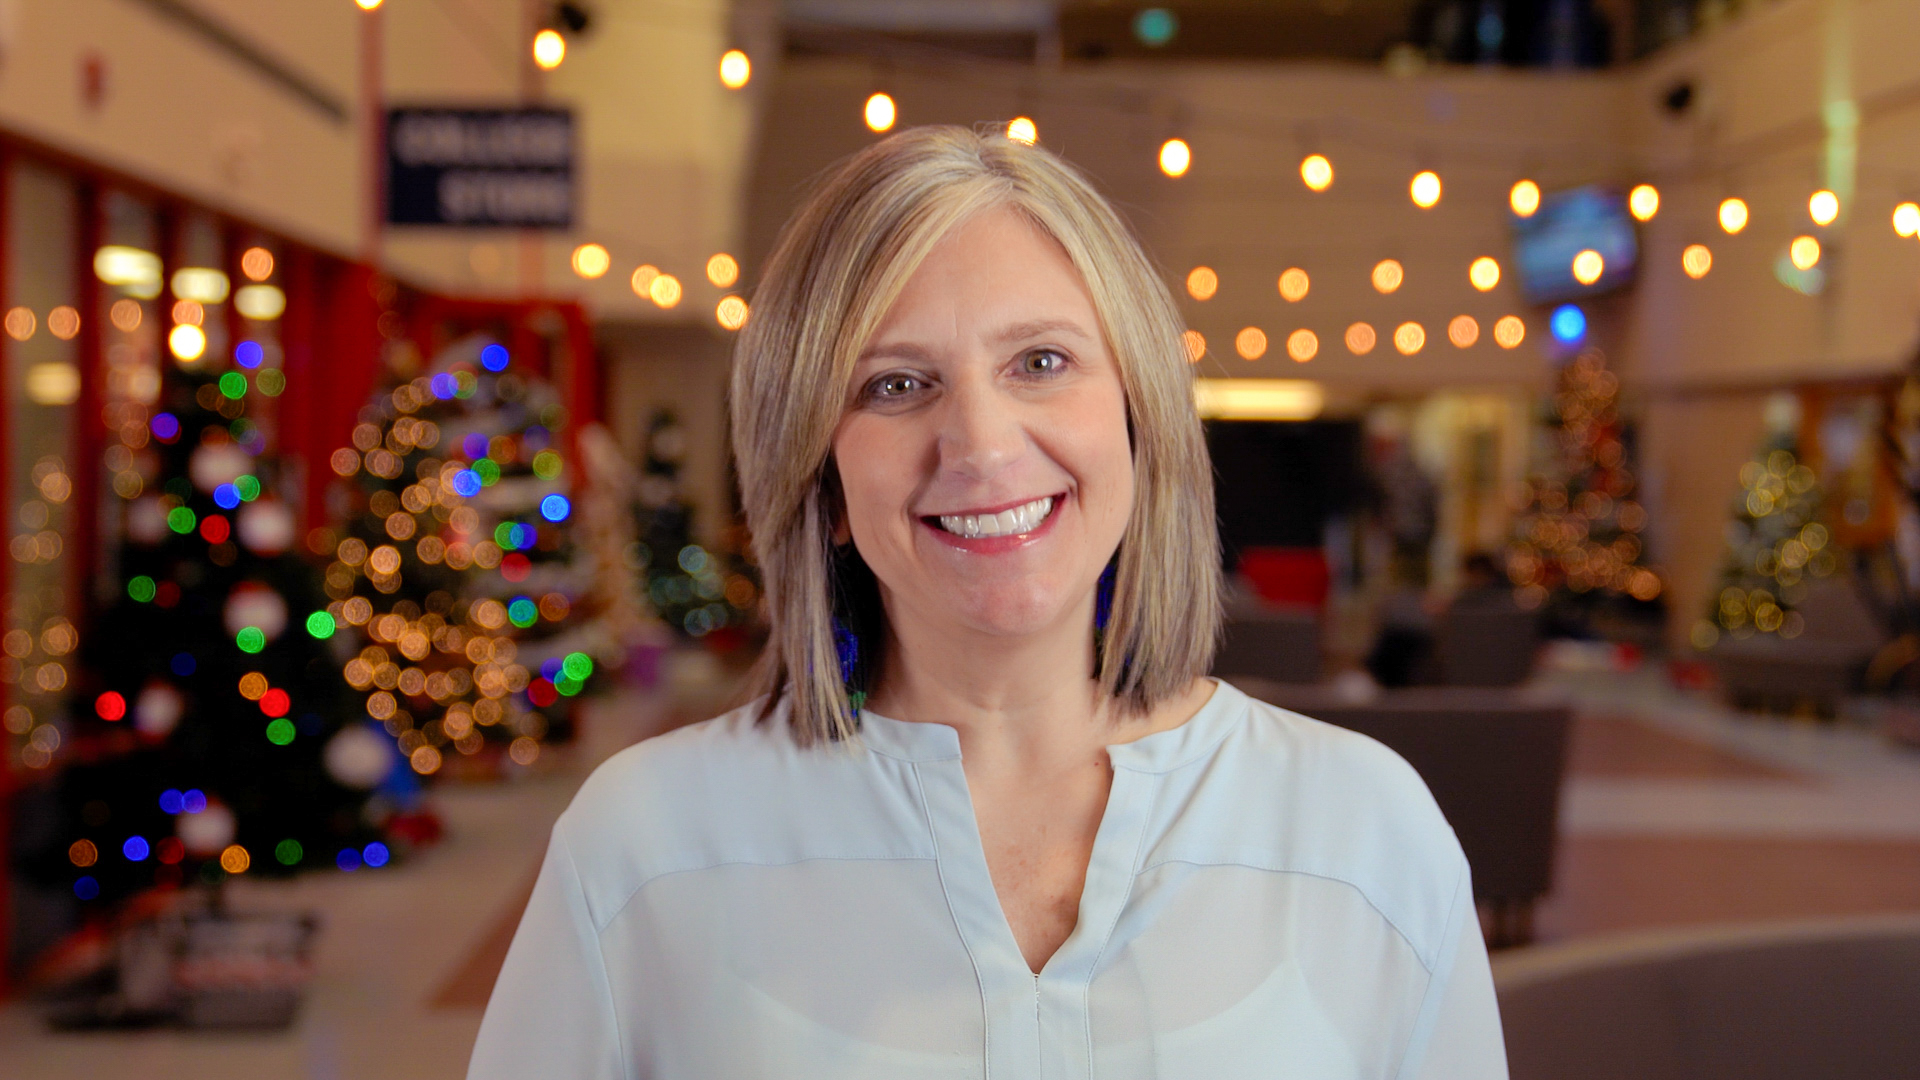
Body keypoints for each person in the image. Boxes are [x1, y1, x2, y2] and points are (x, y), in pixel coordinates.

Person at [468, 126, 1506, 1079]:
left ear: (1138, 424)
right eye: (893, 385)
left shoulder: (1363, 831)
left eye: (1041, 362)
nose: (983, 444)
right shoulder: (646, 843)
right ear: (820, 481)